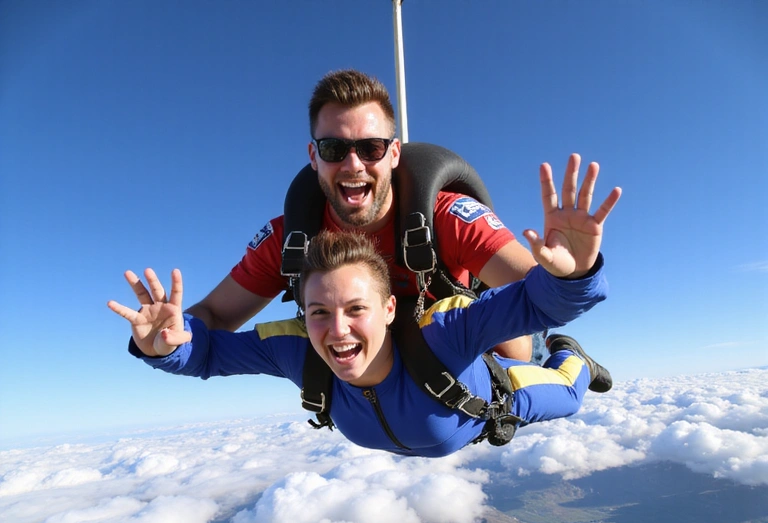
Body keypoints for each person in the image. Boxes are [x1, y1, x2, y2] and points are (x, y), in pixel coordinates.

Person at [108, 159, 621, 458]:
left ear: (391, 308)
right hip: (432, 422)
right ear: (301, 314)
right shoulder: (298, 352)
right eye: (318, 313)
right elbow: (210, 355)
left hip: (494, 400)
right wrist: (163, 347)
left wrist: (573, 273)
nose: (338, 331)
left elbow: (537, 301)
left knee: (568, 390)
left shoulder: (448, 332)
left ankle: (571, 355)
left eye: (356, 308)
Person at [185, 69, 539, 361]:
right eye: (333, 148)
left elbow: (538, 292)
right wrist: (171, 336)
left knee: (512, 342)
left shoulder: (445, 218)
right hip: (367, 380)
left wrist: (573, 273)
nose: (353, 164)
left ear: (394, 153)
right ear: (313, 156)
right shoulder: (290, 240)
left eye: (371, 148)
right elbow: (213, 316)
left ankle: (562, 356)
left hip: (463, 359)